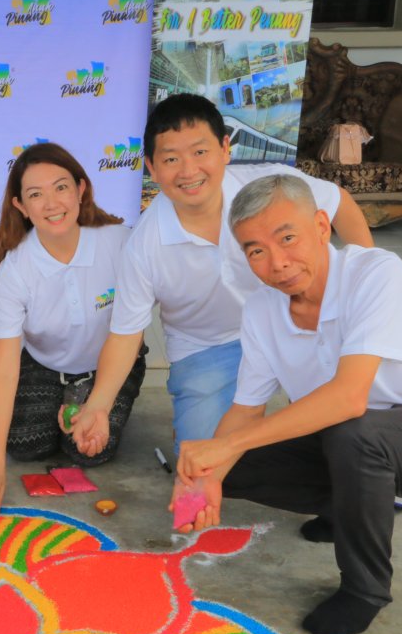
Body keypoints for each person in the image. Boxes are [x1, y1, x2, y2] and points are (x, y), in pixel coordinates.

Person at [175, 174, 402, 634]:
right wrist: (205, 478)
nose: (276, 262)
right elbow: (246, 410)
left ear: (322, 225)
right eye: (256, 250)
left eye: (287, 238)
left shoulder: (378, 274)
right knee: (226, 462)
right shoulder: (262, 310)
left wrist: (225, 447)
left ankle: (365, 589)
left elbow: (349, 396)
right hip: (347, 442)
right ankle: (351, 506)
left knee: (351, 432)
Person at [72, 93, 374, 457]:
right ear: (151, 167)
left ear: (225, 149)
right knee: (204, 458)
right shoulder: (143, 245)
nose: (188, 171)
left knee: (353, 423)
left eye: (200, 152)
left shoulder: (268, 187)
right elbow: (125, 337)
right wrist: (97, 407)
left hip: (302, 325)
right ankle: (199, 415)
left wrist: (366, 280)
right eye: (171, 159)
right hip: (210, 348)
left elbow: (340, 202)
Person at [0, 143, 144, 514]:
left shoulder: (120, 242)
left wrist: (98, 402)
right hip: (46, 365)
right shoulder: (14, 270)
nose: (51, 203)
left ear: (81, 190)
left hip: (109, 366)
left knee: (89, 452)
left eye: (61, 187)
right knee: (24, 446)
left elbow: (131, 332)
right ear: (20, 206)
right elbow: (3, 371)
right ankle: (67, 404)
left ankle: (85, 405)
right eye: (36, 194)